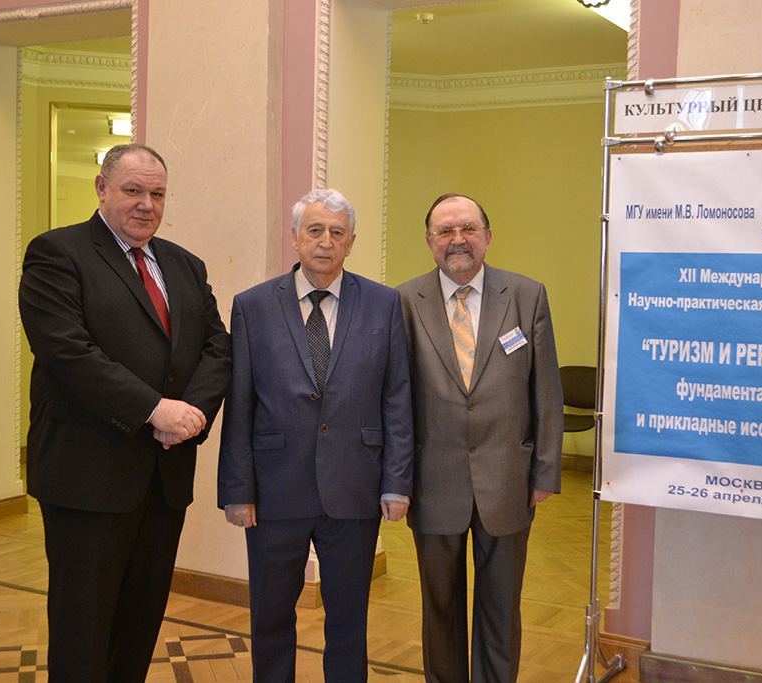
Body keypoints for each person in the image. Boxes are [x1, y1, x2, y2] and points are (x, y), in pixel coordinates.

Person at [19, 143, 232, 682]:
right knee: (83, 629)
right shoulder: (57, 253)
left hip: (164, 476)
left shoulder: (185, 265)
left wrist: (191, 415)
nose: (146, 204)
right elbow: (67, 353)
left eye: (157, 194)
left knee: (139, 625)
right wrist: (154, 410)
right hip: (86, 478)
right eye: (133, 190)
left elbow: (217, 347)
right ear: (101, 188)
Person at [218, 188, 414, 682]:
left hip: (355, 486)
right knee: (270, 617)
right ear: (295, 238)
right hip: (274, 490)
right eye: (315, 230)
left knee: (348, 620)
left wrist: (397, 482)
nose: (326, 241)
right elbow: (239, 404)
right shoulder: (253, 306)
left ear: (351, 242)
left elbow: (397, 398)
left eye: (337, 232)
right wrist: (237, 490)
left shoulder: (385, 304)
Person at [396, 193, 563, 682]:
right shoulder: (402, 302)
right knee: (439, 609)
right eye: (445, 231)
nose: (457, 240)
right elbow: (394, 401)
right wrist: (395, 481)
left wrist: (545, 471)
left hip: (508, 479)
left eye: (467, 228)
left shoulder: (527, 296)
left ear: (487, 236)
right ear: (429, 241)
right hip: (432, 482)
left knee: (501, 609)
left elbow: (546, 390)